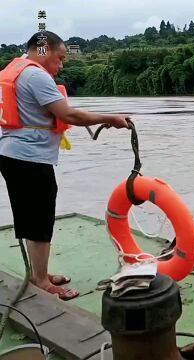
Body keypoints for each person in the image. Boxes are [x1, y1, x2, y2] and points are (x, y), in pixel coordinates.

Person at [0, 31, 130, 301]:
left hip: (14, 154)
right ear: (44, 50)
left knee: (33, 217)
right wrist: (111, 117)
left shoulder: (14, 69)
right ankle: (41, 281)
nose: (61, 66)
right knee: (39, 219)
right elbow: (68, 114)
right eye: (59, 59)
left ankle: (39, 273)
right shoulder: (35, 75)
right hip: (29, 158)